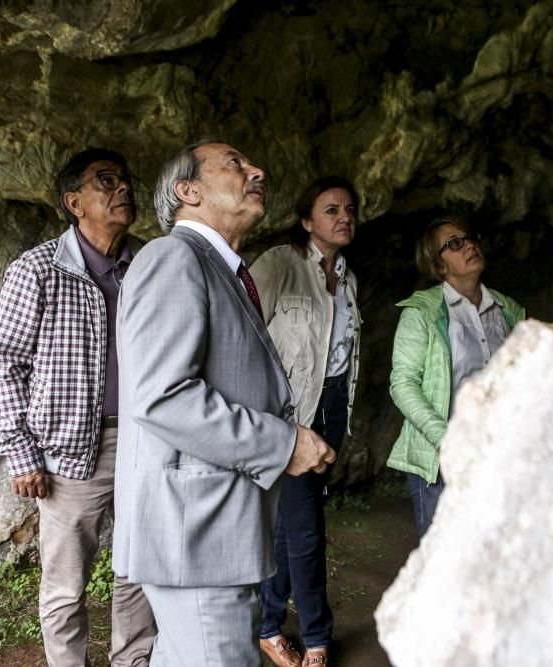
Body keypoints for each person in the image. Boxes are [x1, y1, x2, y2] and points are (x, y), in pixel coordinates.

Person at [112, 139, 337, 666]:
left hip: (211, 532)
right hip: (196, 537)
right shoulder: (172, 257)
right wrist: (283, 443)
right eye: (234, 163)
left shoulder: (222, 269)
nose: (256, 169)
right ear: (187, 191)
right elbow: (162, 397)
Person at [0, 148, 156, 666]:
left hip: (146, 441)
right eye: (106, 181)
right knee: (64, 584)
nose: (123, 188)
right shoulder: (37, 270)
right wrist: (21, 453)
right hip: (68, 450)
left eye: (126, 179)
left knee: (138, 568)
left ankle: (133, 661)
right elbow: (0, 365)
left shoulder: (148, 264)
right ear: (73, 201)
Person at [250, 177, 362, 667]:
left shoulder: (350, 278)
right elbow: (245, 335)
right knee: (307, 527)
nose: (344, 217)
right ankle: (317, 636)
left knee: (291, 525)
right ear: (306, 220)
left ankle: (266, 621)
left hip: (333, 407)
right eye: (331, 209)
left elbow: (343, 356)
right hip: (293, 414)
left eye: (349, 210)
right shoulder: (279, 264)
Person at [387, 214, 526, 540]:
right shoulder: (421, 312)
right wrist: (445, 439)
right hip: (443, 459)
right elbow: (403, 383)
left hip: (497, 453)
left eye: (469, 237)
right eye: (454, 244)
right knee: (443, 565)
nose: (469, 246)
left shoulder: (509, 311)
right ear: (439, 266)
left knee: (493, 554)